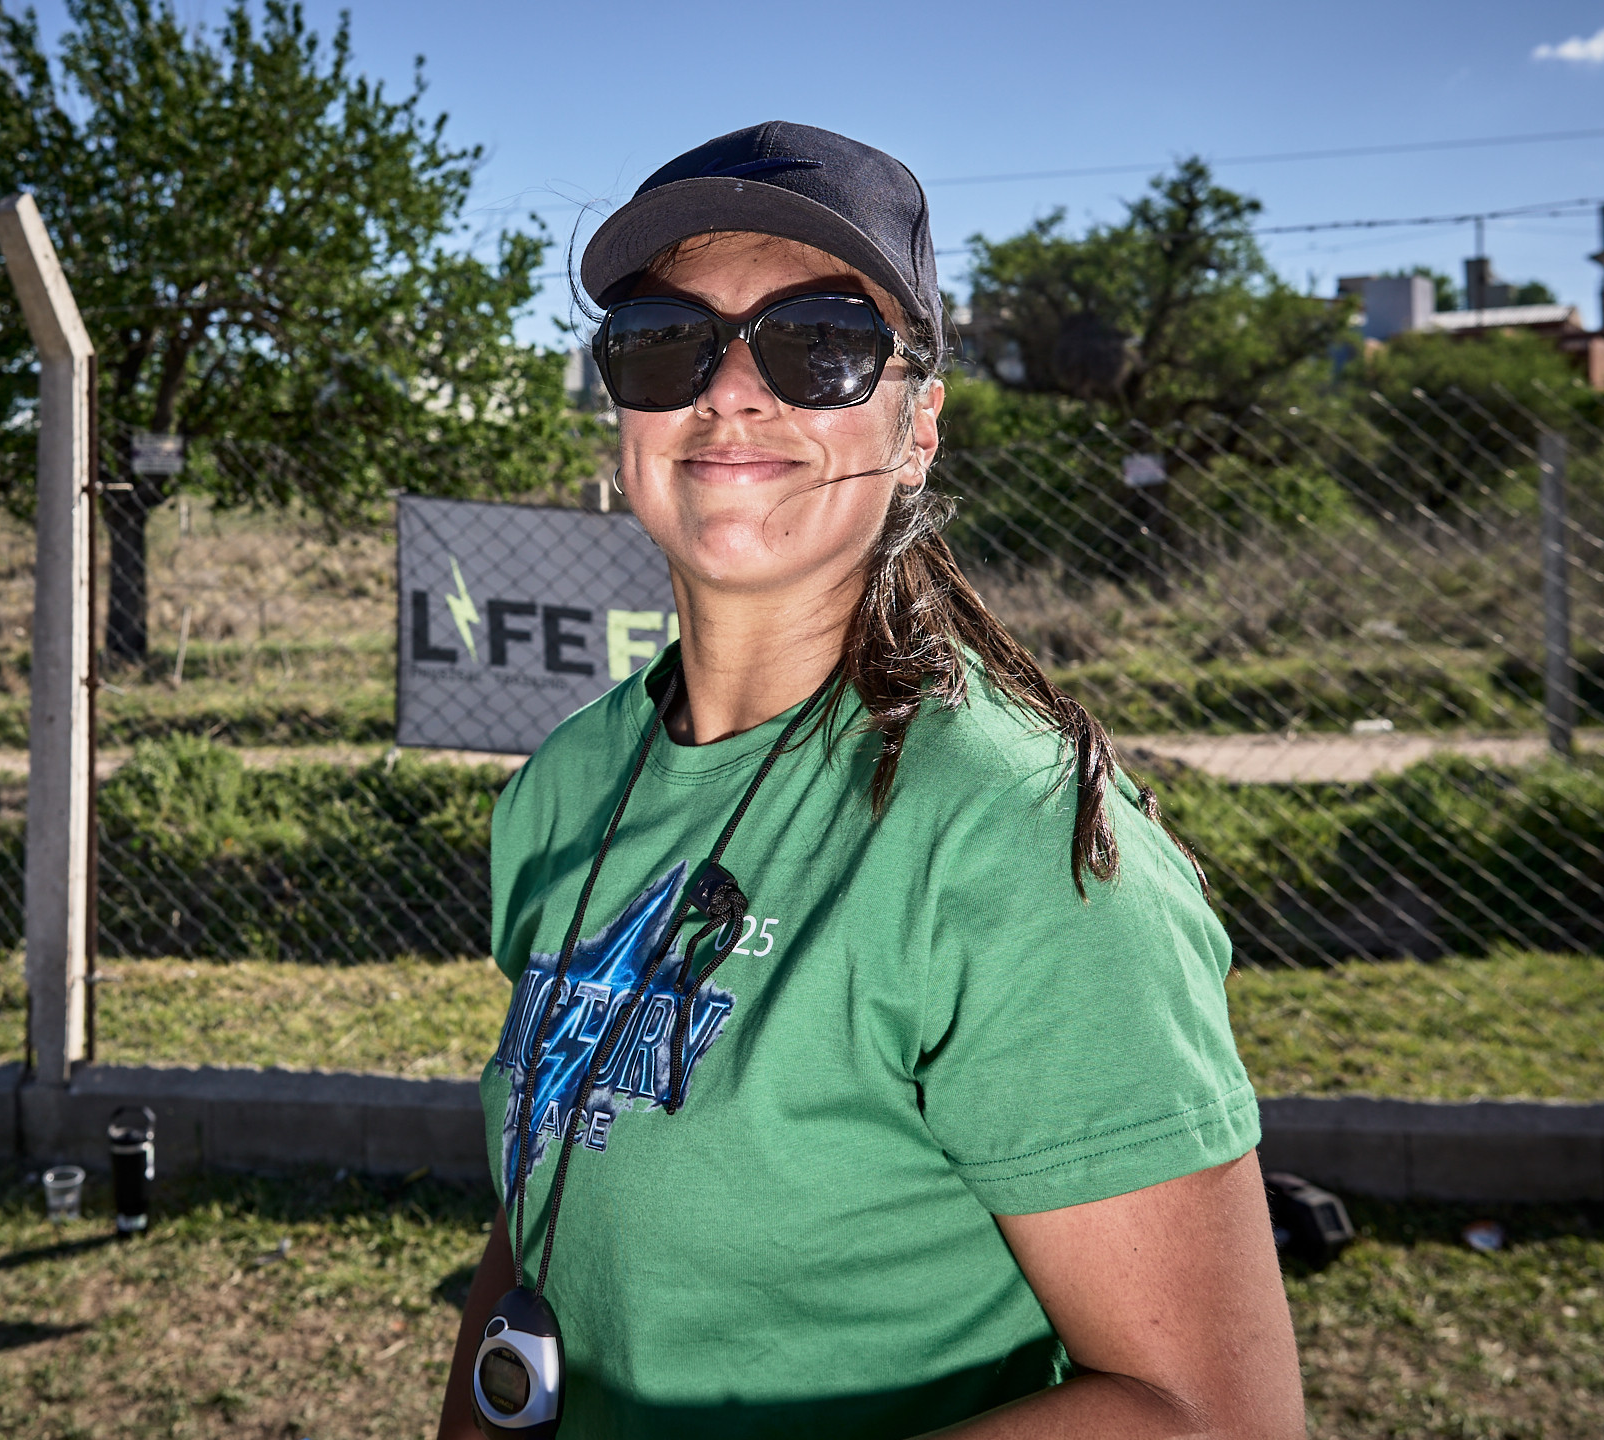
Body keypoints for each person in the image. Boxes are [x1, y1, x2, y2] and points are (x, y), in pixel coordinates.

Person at [437, 121, 1305, 1440]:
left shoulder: (1008, 842)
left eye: (821, 344)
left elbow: (1212, 1416)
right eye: (667, 338)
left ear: (916, 429)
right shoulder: (568, 787)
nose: (730, 390)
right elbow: (551, 1188)